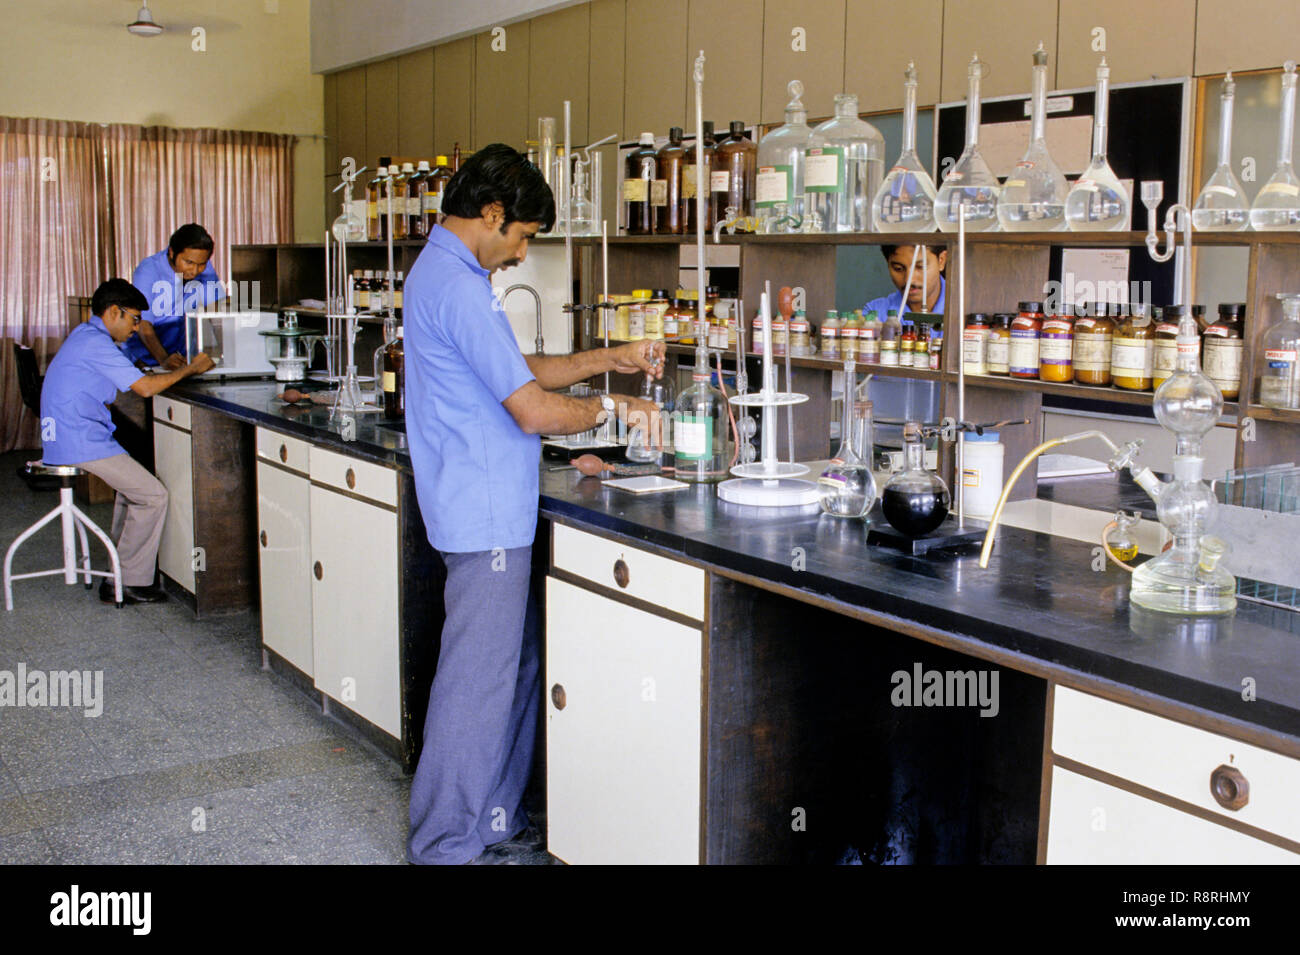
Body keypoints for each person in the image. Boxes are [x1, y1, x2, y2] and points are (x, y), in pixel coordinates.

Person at [403, 144, 664, 866]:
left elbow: (516, 370)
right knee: (476, 682)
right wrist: (614, 407)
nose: (521, 254)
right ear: (492, 215)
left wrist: (606, 359)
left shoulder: (447, 272)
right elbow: (533, 411)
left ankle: (490, 817)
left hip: (484, 503)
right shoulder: (458, 285)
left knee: (511, 668)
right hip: (483, 510)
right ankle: (443, 845)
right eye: (521, 236)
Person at [41, 279, 214, 604]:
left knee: (133, 489)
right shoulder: (96, 343)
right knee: (153, 496)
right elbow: (145, 389)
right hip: (79, 439)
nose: (136, 328)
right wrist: (191, 369)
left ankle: (119, 574)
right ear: (113, 312)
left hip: (72, 434)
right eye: (133, 319)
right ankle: (128, 582)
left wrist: (165, 368)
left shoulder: (87, 335)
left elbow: (134, 377)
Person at [128, 223, 225, 370]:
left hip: (183, 358)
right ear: (172, 253)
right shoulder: (148, 270)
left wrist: (223, 356)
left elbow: (215, 311)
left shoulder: (203, 265)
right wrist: (164, 360)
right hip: (147, 360)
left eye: (201, 264)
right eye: (188, 263)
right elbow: (143, 324)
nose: (194, 270)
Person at [863, 243, 947, 318]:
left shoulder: (959, 310)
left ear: (941, 261)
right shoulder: (875, 314)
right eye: (898, 269)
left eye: (920, 267)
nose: (909, 280)